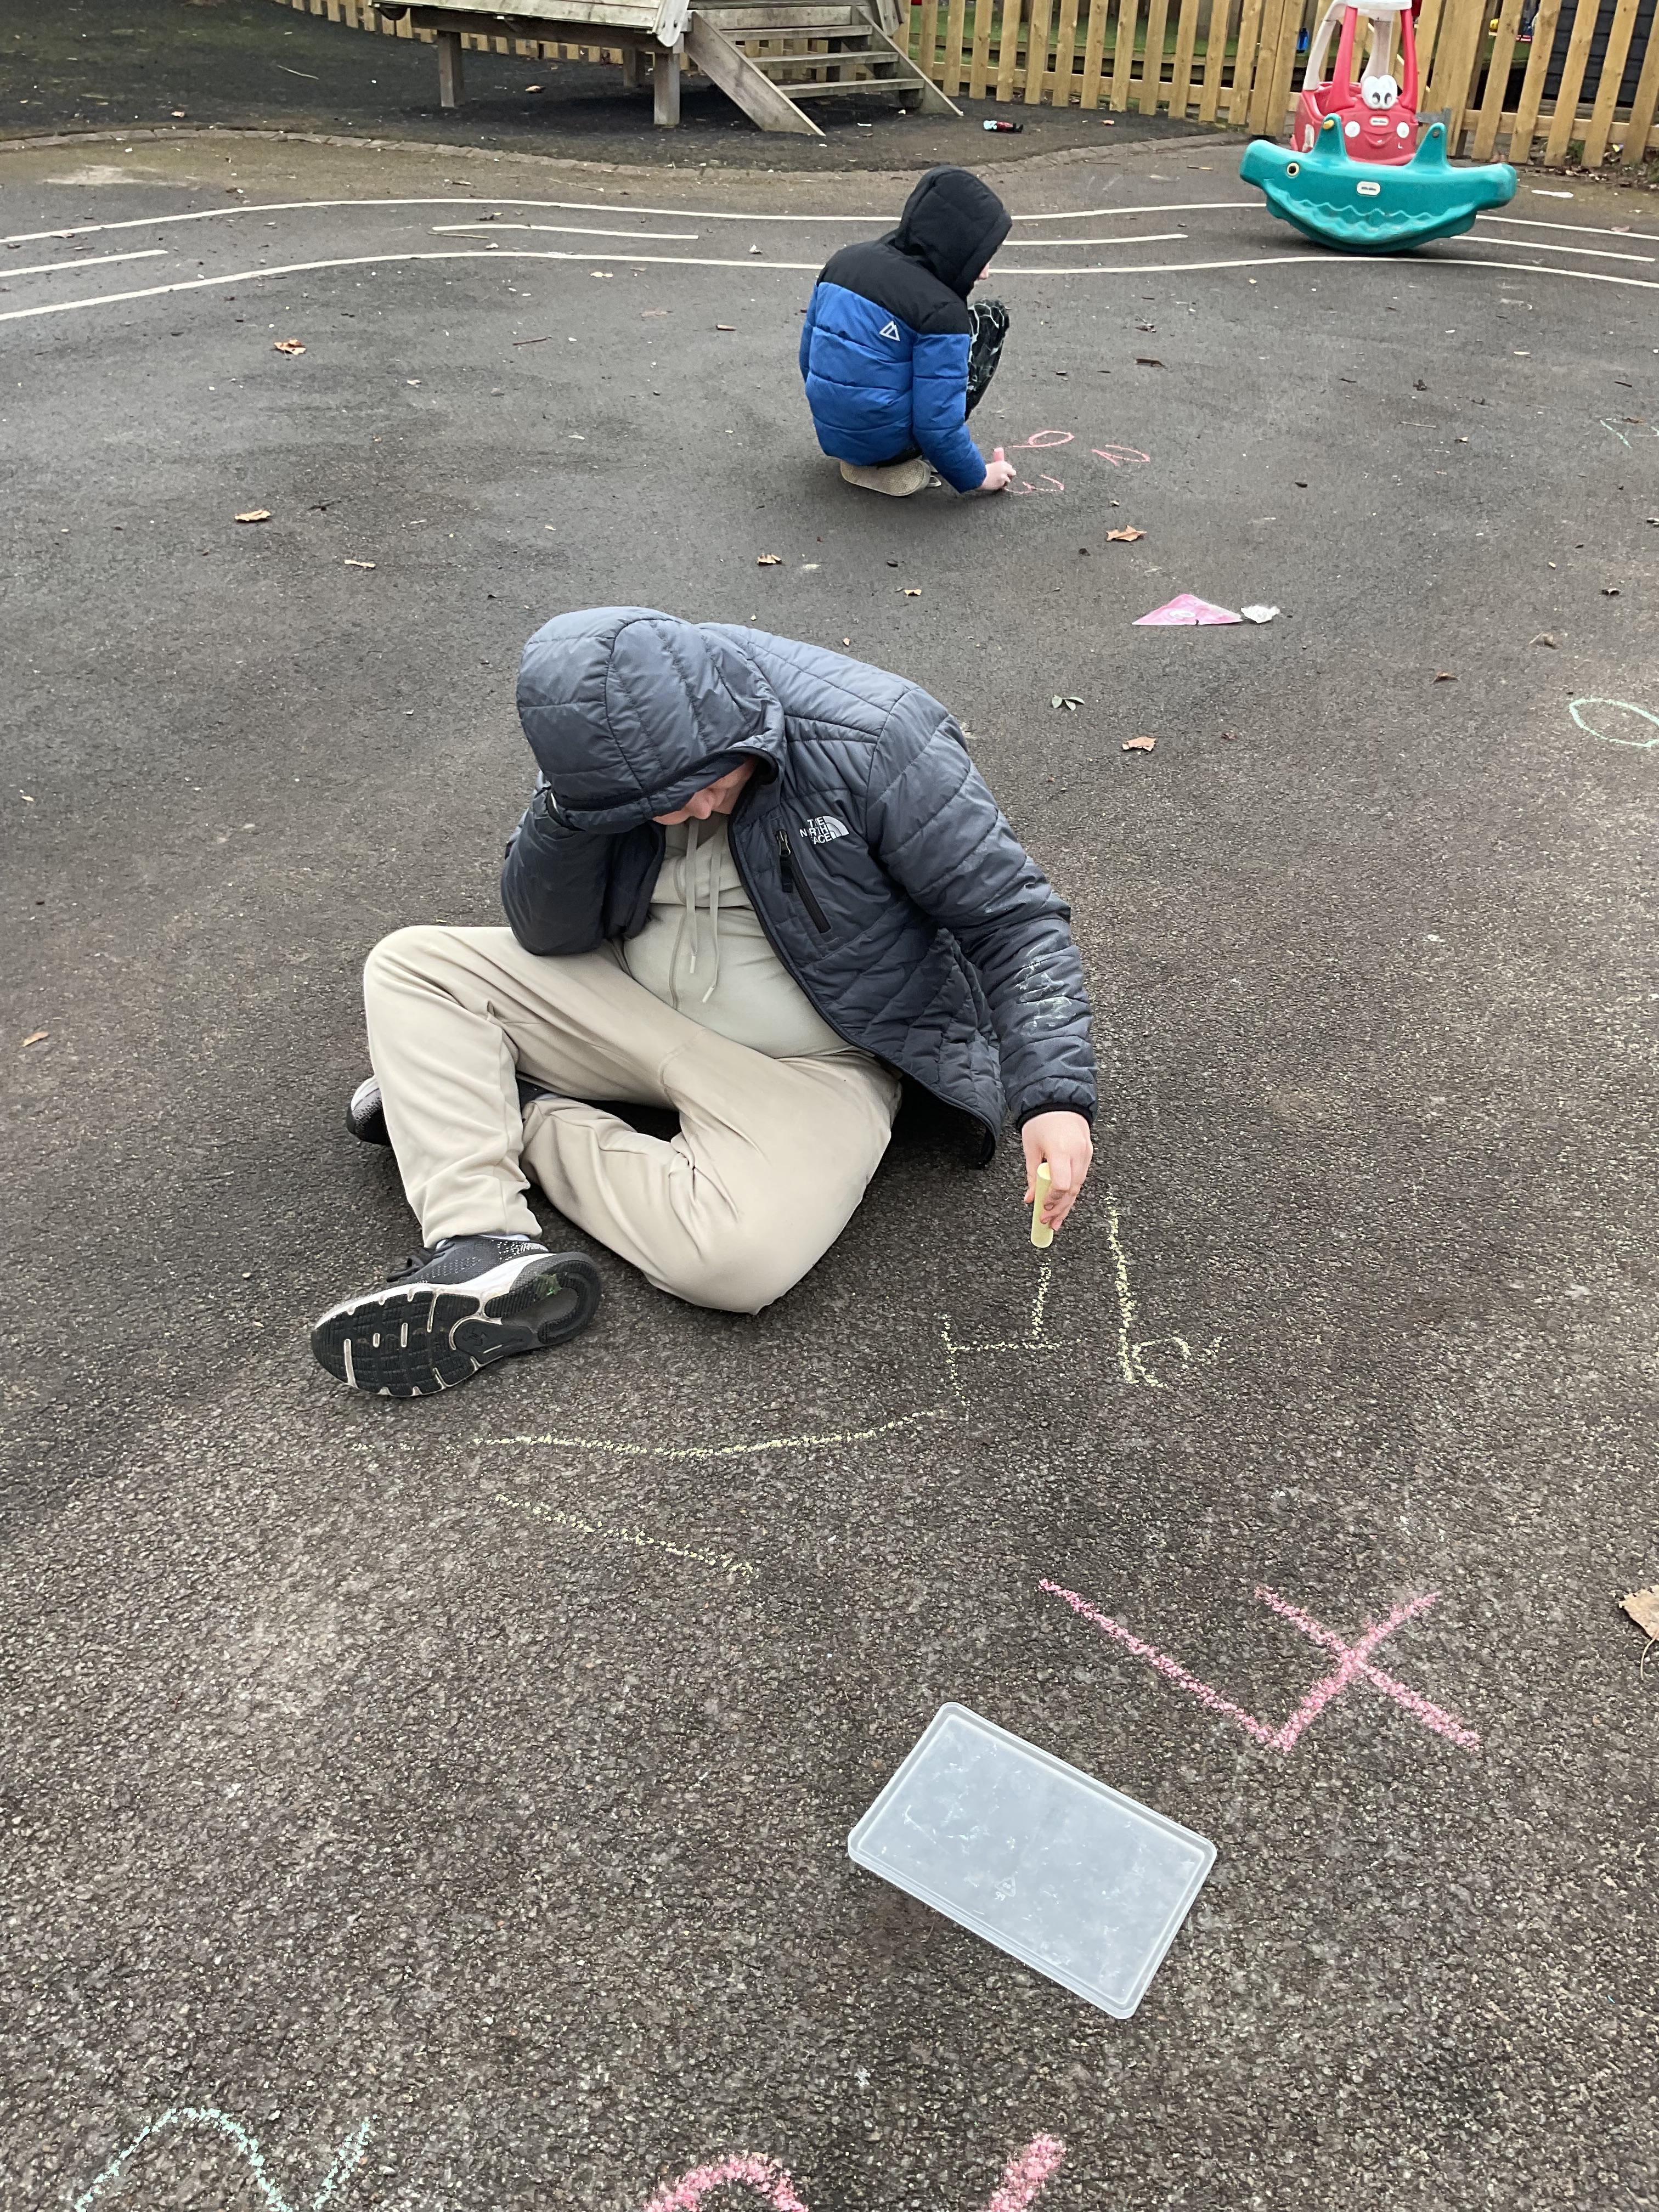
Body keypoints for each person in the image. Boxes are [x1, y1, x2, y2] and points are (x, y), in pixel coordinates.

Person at [311, 607, 1096, 1399]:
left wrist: (1053, 1098)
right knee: (411, 966)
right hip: (627, 1002)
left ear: (739, 724)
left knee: (738, 1262)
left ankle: (497, 1107)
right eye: (655, 801)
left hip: (815, 1058)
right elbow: (545, 930)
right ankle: (483, 1243)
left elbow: (1013, 920)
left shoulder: (877, 736)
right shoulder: (598, 746)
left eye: (705, 782)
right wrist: (570, 817)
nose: (691, 810)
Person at [799, 165, 1019, 500]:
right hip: (890, 444)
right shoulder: (942, 312)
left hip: (832, 429)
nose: (986, 272)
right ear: (958, 246)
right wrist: (979, 476)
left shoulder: (841, 263)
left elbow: (809, 360)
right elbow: (937, 423)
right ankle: (891, 462)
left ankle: (860, 455)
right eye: (982, 256)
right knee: (990, 318)